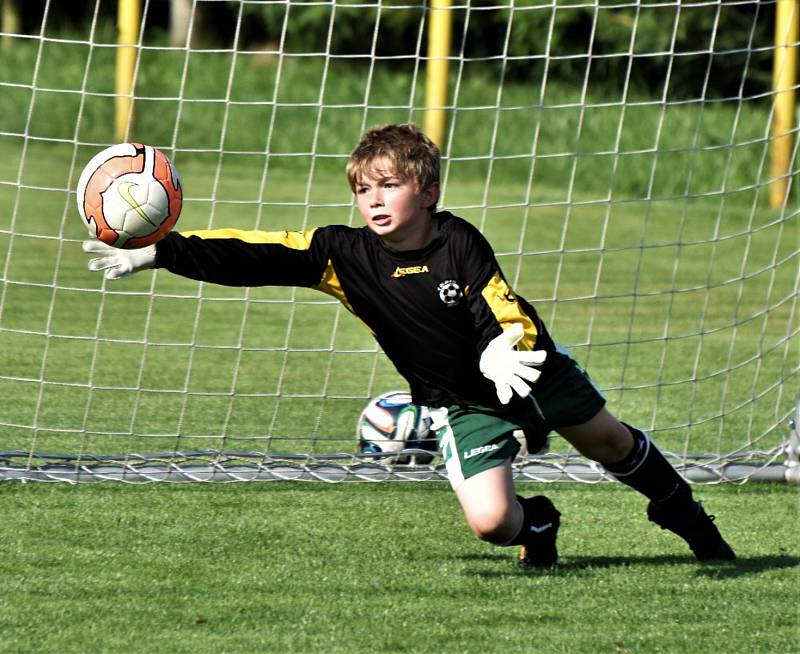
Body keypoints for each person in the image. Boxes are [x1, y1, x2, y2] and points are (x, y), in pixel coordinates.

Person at [82, 123, 735, 567]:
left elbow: (499, 305)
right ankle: (538, 522)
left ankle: (698, 528)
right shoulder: (343, 256)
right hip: (462, 403)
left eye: (388, 185)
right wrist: (166, 253)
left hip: (530, 374)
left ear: (427, 191)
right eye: (363, 189)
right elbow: (257, 253)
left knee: (613, 444)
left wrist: (504, 345)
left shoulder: (459, 240)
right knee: (489, 523)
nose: (373, 199)